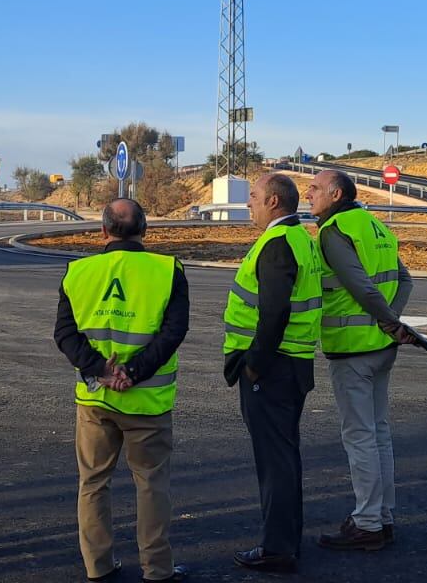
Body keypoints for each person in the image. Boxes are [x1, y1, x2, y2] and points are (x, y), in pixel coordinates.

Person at [54, 198, 190, 583]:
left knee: (93, 483)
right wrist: (133, 373)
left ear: (103, 230)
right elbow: (173, 333)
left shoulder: (77, 272)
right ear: (145, 230)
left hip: (96, 399)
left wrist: (101, 371)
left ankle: (97, 566)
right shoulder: (167, 271)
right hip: (148, 400)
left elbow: (65, 334)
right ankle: (157, 569)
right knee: (151, 485)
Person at [304, 170, 416, 552]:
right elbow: (405, 278)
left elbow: (360, 286)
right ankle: (382, 516)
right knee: (378, 431)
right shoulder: (375, 226)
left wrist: (387, 320)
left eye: (315, 189)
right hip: (381, 347)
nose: (309, 193)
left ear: (336, 194)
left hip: (352, 348)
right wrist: (392, 323)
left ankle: (367, 522)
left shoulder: (334, 231)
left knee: (359, 436)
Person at [223, 173, 323, 574]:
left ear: (275, 203)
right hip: (291, 364)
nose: (249, 203)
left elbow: (274, 312)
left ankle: (278, 547)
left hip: (274, 368)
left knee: (275, 461)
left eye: (254, 197)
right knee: (284, 456)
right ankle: (287, 538)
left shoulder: (278, 243)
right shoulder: (300, 239)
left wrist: (253, 365)